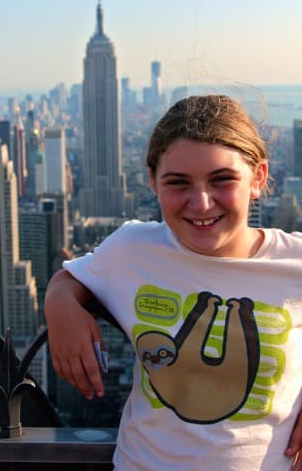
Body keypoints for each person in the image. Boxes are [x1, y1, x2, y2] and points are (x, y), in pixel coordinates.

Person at [44, 94, 302, 470]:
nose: (200, 203)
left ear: (258, 178)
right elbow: (69, 279)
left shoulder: (294, 262)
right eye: (178, 183)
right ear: (152, 182)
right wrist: (59, 301)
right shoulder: (133, 249)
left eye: (222, 180)